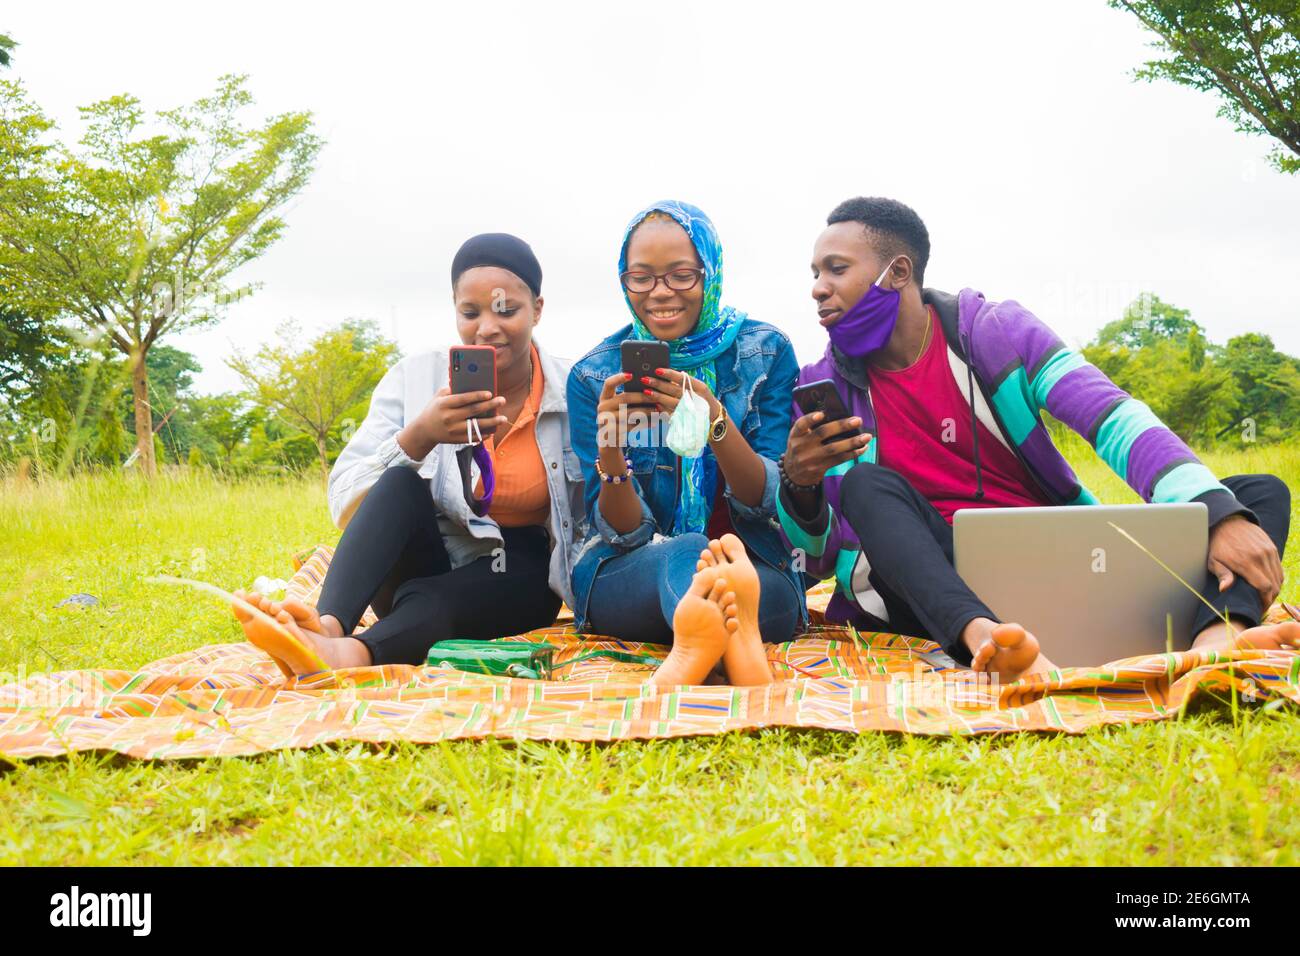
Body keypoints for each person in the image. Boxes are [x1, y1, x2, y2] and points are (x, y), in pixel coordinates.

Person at [777, 197, 1297, 680]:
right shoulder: (824, 387)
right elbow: (818, 560)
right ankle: (991, 644)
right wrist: (800, 487)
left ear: (899, 273)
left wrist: (1218, 513)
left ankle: (1215, 640)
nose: (818, 287)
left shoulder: (995, 332)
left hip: (1059, 564)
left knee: (1255, 495)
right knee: (867, 486)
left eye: (837, 269)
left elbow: (1110, 416)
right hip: (934, 589)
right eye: (815, 273)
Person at [231, 233, 586, 675]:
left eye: (506, 310)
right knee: (399, 482)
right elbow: (344, 501)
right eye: (469, 312)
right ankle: (327, 627)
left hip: (516, 575)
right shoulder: (415, 376)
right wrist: (419, 436)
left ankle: (350, 656)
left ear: (537, 309)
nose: (486, 328)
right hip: (423, 556)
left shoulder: (574, 392)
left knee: (447, 593)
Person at [566, 200, 804, 685]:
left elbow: (768, 504)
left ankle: (703, 654)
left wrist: (716, 420)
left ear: (709, 272)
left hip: (757, 569)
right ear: (623, 278)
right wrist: (610, 450)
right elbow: (624, 535)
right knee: (690, 549)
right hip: (630, 575)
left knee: (729, 562)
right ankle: (731, 651)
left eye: (680, 275)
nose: (659, 294)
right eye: (641, 277)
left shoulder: (767, 352)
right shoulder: (593, 375)